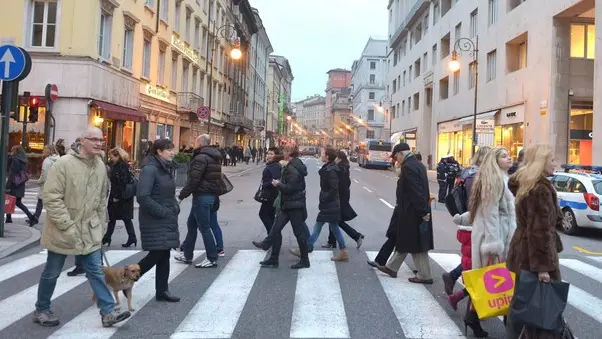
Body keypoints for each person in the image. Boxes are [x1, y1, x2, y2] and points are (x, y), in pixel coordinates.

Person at [34, 127, 130, 327]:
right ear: (82, 141)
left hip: (90, 230)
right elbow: (51, 198)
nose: (99, 143)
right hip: (63, 230)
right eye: (94, 139)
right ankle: (42, 309)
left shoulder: (101, 167)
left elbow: (102, 199)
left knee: (96, 271)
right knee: (52, 271)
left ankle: (108, 312)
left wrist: (101, 224)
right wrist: (67, 225)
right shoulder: (63, 164)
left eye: (101, 140)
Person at [506, 145, 564, 338]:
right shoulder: (540, 189)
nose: (556, 164)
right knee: (540, 309)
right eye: (552, 160)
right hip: (535, 258)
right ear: (541, 163)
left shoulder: (527, 184)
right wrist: (543, 268)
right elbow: (540, 231)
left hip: (522, 252)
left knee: (522, 304)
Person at [376, 143, 434, 284]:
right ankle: (392, 267)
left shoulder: (408, 167)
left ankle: (424, 275)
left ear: (401, 153)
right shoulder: (418, 165)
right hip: (414, 210)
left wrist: (422, 211)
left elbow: (415, 191)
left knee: (414, 242)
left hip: (412, 211)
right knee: (408, 240)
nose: (396, 160)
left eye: (396, 157)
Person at [252, 143, 310, 269]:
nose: (283, 153)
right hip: (288, 204)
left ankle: (305, 260)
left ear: (289, 153)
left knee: (298, 233)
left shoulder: (293, 167)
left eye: (285, 151)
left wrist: (278, 184)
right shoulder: (292, 165)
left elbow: (291, 188)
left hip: (294, 204)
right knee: (275, 228)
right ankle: (272, 257)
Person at [136, 138, 181, 302]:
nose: (172, 152)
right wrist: (162, 212)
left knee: (164, 253)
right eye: (168, 150)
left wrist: (175, 207)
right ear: (159, 152)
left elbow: (167, 193)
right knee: (156, 253)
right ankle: (125, 279)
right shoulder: (150, 169)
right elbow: (142, 196)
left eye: (172, 149)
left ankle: (162, 290)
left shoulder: (164, 168)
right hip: (155, 218)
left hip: (166, 217)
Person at [290, 147, 349, 261]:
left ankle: (305, 248)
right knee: (334, 227)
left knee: (318, 226)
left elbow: (333, 188)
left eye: (322, 153)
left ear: (327, 156)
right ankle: (343, 251)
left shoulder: (331, 170)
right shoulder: (329, 168)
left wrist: (324, 198)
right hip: (331, 204)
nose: (321, 155)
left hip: (330, 204)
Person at [177, 134, 225, 268]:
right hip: (210, 196)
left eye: (195, 142)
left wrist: (181, 196)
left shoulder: (201, 158)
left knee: (204, 228)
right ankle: (187, 255)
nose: (194, 144)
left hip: (202, 196)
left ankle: (211, 258)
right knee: (191, 225)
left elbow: (194, 180)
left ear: (200, 143)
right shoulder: (214, 157)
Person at [323, 150, 364, 249]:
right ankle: (332, 242)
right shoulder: (343, 168)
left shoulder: (340, 169)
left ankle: (356, 236)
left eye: (336, 158)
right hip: (341, 197)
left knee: (336, 220)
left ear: (339, 159)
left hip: (338, 198)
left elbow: (336, 185)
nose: (334, 159)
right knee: (333, 219)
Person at [102, 147, 137, 248]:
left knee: (121, 218)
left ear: (118, 156)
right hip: (121, 196)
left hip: (120, 196)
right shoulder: (119, 165)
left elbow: (122, 182)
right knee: (118, 218)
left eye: (112, 156)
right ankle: (108, 237)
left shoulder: (121, 166)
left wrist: (117, 196)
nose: (110, 158)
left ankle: (108, 238)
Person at [31, 145, 59, 223]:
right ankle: (36, 217)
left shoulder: (47, 161)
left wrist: (39, 181)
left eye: (44, 150)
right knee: (50, 201)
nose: (43, 151)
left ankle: (36, 217)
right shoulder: (58, 159)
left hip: (46, 184)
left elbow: (44, 174)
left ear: (49, 151)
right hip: (55, 183)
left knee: (41, 200)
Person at [258, 147, 282, 234]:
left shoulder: (274, 166)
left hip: (270, 195)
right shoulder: (273, 165)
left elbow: (275, 181)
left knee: (263, 214)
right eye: (268, 153)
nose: (269, 155)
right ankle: (272, 237)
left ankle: (272, 236)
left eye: (271, 154)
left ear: (276, 156)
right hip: (272, 195)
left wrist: (265, 184)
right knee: (270, 216)